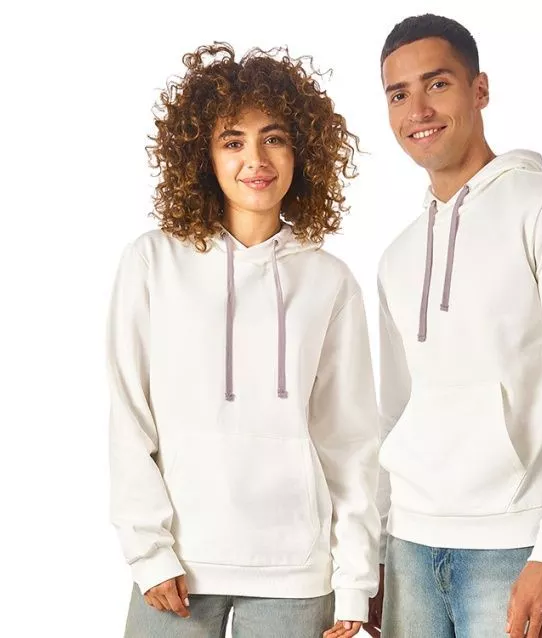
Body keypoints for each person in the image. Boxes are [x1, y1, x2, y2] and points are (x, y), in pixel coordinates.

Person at [106, 43, 379, 638]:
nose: (256, 160)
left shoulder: (329, 280)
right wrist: (148, 551)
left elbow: (350, 440)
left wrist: (356, 580)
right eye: (233, 141)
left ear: (302, 150)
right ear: (203, 156)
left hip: (298, 575)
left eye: (273, 138)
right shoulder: (153, 262)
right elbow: (129, 416)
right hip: (178, 567)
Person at [366, 15, 542, 638]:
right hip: (408, 548)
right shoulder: (397, 255)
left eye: (437, 83)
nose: (418, 110)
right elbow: (393, 410)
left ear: (479, 89)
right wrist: (376, 550)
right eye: (398, 94)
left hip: (514, 548)